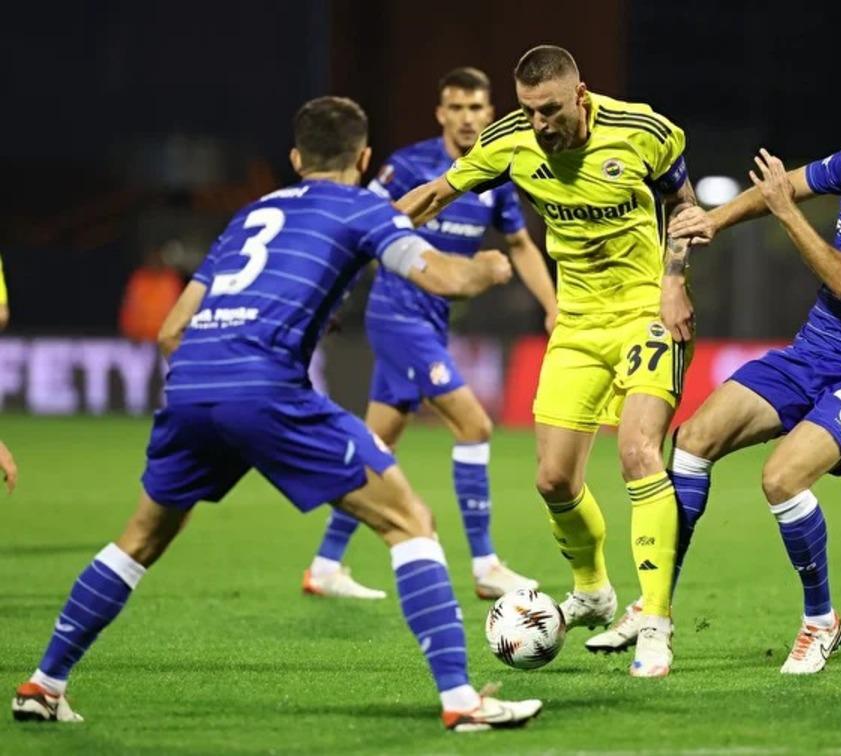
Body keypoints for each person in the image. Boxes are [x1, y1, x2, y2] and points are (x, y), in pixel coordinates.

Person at [11, 96, 542, 731]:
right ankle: (463, 702)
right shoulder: (363, 207)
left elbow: (171, 330)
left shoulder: (250, 213)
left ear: (296, 158)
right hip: (264, 388)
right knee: (411, 522)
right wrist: (484, 269)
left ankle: (43, 684)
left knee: (141, 538)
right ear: (365, 157)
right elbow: (441, 278)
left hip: (192, 386)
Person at [635, 83, 841, 675]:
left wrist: (787, 213)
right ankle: (655, 610)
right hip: (813, 350)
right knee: (691, 442)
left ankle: (820, 621)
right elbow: (783, 188)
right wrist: (715, 219)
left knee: (781, 478)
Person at [396, 45, 699, 678]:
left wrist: (675, 281)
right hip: (578, 322)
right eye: (530, 111)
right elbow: (436, 195)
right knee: (553, 481)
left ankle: (656, 621)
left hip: (646, 310)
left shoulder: (641, 130)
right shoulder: (508, 141)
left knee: (639, 453)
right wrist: (354, 231)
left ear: (581, 96)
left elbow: (684, 203)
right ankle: (592, 591)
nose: (540, 124)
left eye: (552, 110)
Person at [303, 67, 557, 602]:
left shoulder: (495, 178)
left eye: (475, 108)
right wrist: (327, 293)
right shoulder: (408, 167)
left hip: (432, 322)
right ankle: (486, 564)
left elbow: (521, 246)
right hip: (397, 316)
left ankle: (325, 565)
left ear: (490, 114)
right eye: (456, 108)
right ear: (441, 113)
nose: (466, 118)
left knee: (376, 446)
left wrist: (552, 306)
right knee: (475, 426)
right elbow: (360, 225)